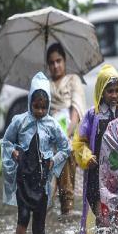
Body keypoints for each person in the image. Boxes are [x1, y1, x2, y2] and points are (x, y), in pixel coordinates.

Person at [1, 72, 70, 234]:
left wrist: (54, 160)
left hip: (42, 180)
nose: (40, 111)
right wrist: (13, 152)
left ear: (48, 106)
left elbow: (65, 147)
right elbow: (6, 141)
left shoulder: (52, 124)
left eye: (43, 107)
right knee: (23, 218)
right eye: (36, 106)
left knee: (39, 225)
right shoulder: (20, 121)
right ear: (30, 101)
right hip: (23, 178)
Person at [72, 64, 118, 234]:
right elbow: (79, 142)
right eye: (109, 91)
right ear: (101, 91)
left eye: (116, 90)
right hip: (97, 177)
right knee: (102, 218)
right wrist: (86, 157)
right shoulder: (92, 115)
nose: (114, 95)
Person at [47, 42, 86, 215]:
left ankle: (67, 206)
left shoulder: (73, 80)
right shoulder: (45, 85)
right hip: (48, 138)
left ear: (65, 61)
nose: (56, 65)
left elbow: (76, 112)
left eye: (59, 61)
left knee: (65, 151)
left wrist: (63, 137)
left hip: (69, 136)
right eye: (51, 62)